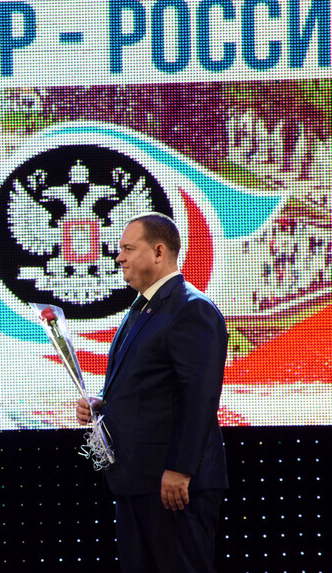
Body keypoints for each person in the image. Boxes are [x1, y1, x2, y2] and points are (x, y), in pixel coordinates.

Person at [76, 213, 228, 572]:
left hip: (172, 485)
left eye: (128, 248)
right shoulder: (143, 308)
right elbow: (152, 387)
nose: (119, 258)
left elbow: (199, 397)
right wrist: (103, 405)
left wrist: (179, 469)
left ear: (159, 252)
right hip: (137, 480)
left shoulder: (191, 309)